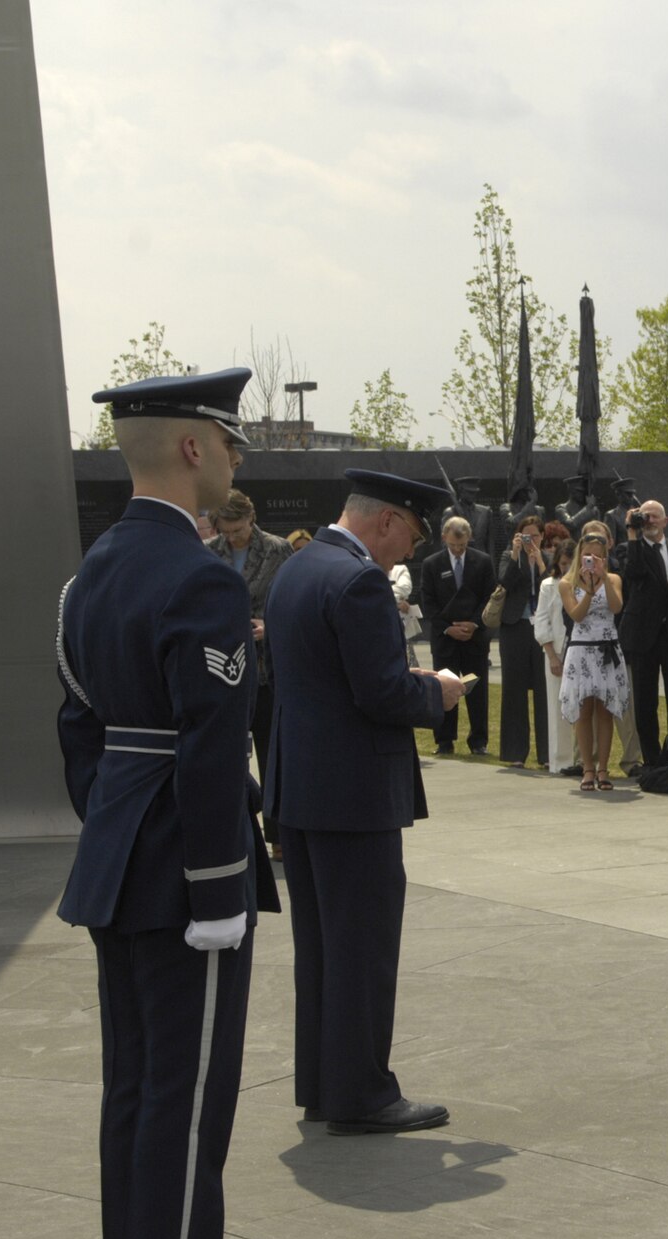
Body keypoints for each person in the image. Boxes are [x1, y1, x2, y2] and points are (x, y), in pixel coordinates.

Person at [56, 368, 291, 1239]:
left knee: (137, 1089)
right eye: (228, 440)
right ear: (194, 446)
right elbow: (207, 747)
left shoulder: (91, 571)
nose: (236, 457)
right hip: (183, 872)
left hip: (118, 856)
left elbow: (79, 729)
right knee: (188, 1094)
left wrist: (112, 828)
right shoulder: (198, 577)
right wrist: (212, 888)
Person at [263, 467, 462, 1139]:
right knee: (363, 948)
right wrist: (437, 691)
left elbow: (323, 678)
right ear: (385, 521)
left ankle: (326, 1082)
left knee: (322, 949)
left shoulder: (297, 569)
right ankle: (363, 1093)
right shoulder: (359, 583)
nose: (409, 550)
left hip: (305, 790)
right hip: (353, 794)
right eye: (410, 534)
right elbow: (381, 694)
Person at [206, 488, 292, 855]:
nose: (231, 537)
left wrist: (270, 627)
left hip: (267, 671)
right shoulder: (209, 552)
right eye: (225, 531)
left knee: (273, 756)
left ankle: (279, 838)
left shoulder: (277, 550)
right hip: (224, 670)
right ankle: (234, 833)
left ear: (250, 518)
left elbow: (292, 601)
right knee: (226, 759)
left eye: (237, 529)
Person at [614, 499, 668, 767]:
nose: (650, 522)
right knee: (645, 703)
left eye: (655, 517)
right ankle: (652, 760)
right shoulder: (627, 549)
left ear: (665, 521)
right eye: (645, 517)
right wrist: (632, 535)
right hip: (642, 636)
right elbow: (633, 575)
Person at [418, 515, 496, 756]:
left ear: (469, 539)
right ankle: (444, 740)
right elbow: (427, 602)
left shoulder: (482, 562)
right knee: (443, 687)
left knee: (477, 689)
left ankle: (478, 741)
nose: (458, 549)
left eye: (461, 545)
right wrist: (447, 628)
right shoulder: (431, 564)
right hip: (445, 639)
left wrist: (473, 624)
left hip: (473, 638)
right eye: (453, 545)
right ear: (444, 538)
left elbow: (489, 597)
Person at [560, 523, 628, 790]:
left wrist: (602, 578)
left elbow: (616, 607)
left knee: (605, 710)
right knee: (583, 710)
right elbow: (576, 615)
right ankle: (587, 768)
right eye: (587, 555)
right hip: (581, 650)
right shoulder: (567, 583)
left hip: (607, 649)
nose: (591, 560)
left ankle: (603, 768)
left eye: (597, 556)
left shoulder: (614, 580)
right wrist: (588, 590)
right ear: (580, 554)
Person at [494, 510, 550, 769]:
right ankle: (515, 752)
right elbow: (504, 583)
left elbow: (552, 584)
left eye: (535, 536)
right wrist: (517, 555)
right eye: (525, 536)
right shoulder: (509, 556)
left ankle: (547, 753)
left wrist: (538, 562)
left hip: (542, 628)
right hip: (515, 625)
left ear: (542, 536)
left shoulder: (548, 558)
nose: (530, 541)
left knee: (544, 689)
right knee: (514, 690)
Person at [531, 525, 576, 776]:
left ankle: (583, 760)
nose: (567, 568)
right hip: (556, 652)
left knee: (582, 710)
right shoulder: (549, 584)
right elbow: (542, 620)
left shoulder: (586, 584)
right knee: (557, 707)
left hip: (580, 652)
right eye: (563, 563)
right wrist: (551, 655)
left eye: (571, 563)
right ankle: (560, 761)